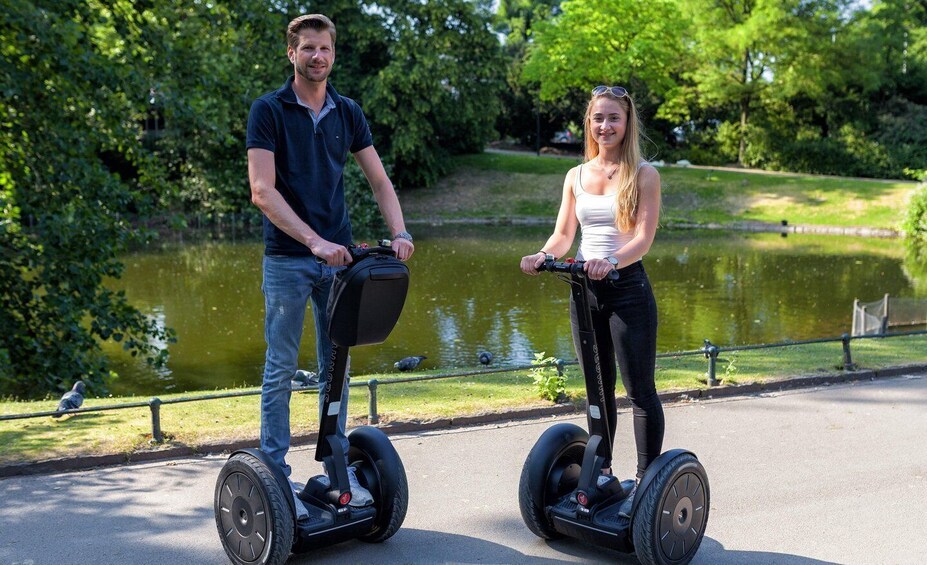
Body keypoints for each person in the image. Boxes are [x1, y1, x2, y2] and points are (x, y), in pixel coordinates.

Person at [246, 14, 414, 516]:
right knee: (279, 370)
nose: (318, 57)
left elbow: (380, 181)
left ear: (334, 55)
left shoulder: (347, 111)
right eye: (308, 49)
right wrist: (314, 241)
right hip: (289, 260)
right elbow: (262, 191)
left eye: (326, 49)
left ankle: (333, 471)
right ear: (291, 53)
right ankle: (275, 480)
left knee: (335, 370)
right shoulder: (269, 110)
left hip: (339, 262)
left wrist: (400, 232)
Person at [519, 85, 663, 516]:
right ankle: (600, 472)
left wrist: (610, 261)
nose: (606, 126)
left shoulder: (644, 175)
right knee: (597, 391)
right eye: (598, 118)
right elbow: (565, 235)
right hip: (584, 290)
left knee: (639, 391)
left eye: (614, 118)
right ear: (589, 123)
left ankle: (646, 481)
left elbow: (643, 239)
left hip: (627, 289)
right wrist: (543, 255)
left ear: (627, 123)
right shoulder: (576, 175)